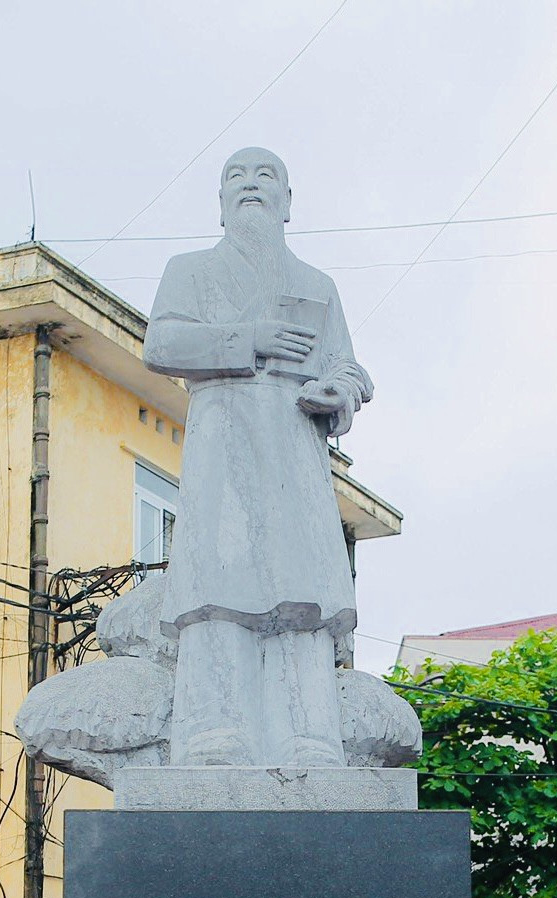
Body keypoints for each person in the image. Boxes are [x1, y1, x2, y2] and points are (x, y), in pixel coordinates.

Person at [143, 146, 373, 768]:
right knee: (219, 581)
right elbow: (161, 343)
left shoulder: (317, 286)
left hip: (295, 445)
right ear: (220, 203)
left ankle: (309, 731)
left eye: (265, 174)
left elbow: (347, 365)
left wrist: (340, 390)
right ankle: (215, 727)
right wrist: (250, 339)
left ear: (287, 202)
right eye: (236, 176)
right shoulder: (190, 270)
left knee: (301, 589)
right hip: (223, 440)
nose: (250, 184)